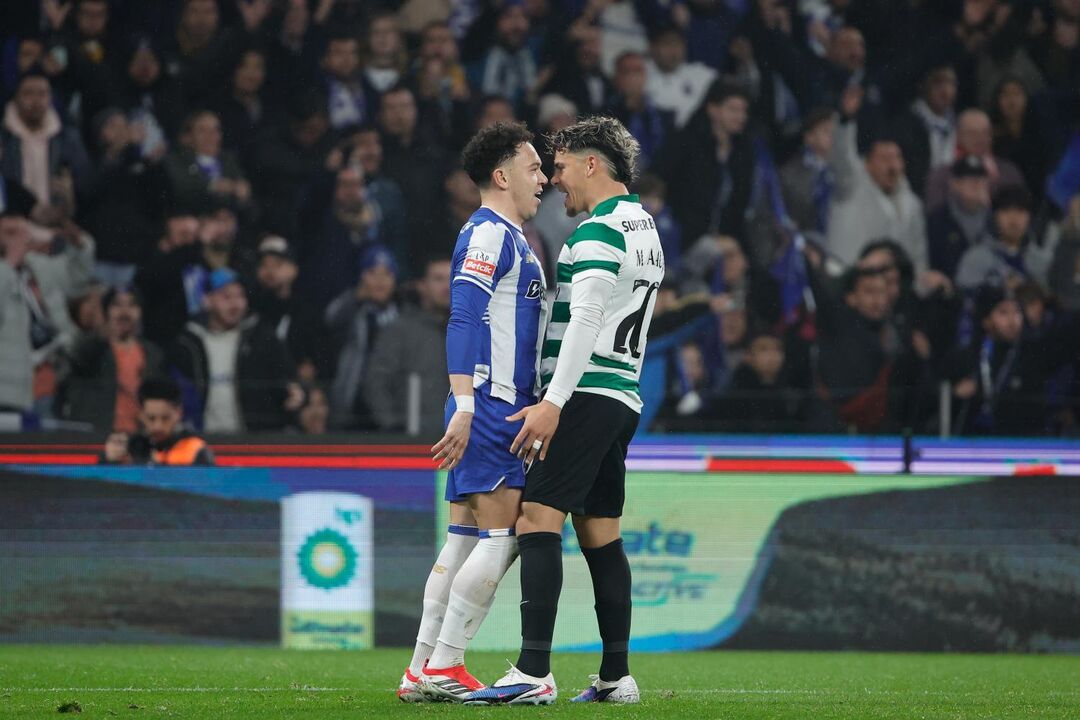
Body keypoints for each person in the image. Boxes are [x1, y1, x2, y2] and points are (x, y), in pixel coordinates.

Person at [468, 117, 661, 706]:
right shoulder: (644, 227)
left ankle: (533, 672)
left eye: (561, 167)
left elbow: (587, 319)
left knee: (536, 519)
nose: (554, 180)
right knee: (600, 533)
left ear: (592, 164)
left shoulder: (597, 231)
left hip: (584, 395)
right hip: (622, 395)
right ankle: (616, 677)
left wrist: (553, 402)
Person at [399, 121, 548, 703]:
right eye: (534, 168)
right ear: (502, 175)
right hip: (492, 403)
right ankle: (447, 663)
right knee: (503, 536)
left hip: (486, 401)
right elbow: (462, 316)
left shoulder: (509, 236)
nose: (543, 179)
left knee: (463, 537)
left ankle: (420, 669)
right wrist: (465, 404)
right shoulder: (488, 234)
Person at [168, 267, 302, 432]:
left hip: (252, 438)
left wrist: (295, 394)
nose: (235, 304)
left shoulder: (262, 338)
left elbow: (289, 381)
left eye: (240, 296)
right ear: (207, 300)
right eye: (226, 296)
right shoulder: (188, 342)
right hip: (203, 438)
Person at [362, 256, 452, 435]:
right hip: (414, 441)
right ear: (422, 286)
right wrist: (395, 429)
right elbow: (375, 383)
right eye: (438, 279)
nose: (447, 287)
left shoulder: (472, 329)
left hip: (463, 440)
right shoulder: (399, 329)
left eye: (452, 279)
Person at [60, 287, 164, 433]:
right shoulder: (92, 350)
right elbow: (77, 360)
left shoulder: (153, 355)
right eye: (117, 305)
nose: (124, 312)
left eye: (132, 305)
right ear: (106, 312)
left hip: (139, 436)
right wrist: (100, 333)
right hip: (98, 435)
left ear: (140, 312)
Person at [99, 376, 214, 466]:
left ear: (178, 413)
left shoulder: (194, 450)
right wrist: (107, 461)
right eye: (151, 418)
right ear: (140, 414)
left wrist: (156, 465)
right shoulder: (130, 447)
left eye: (165, 418)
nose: (157, 426)